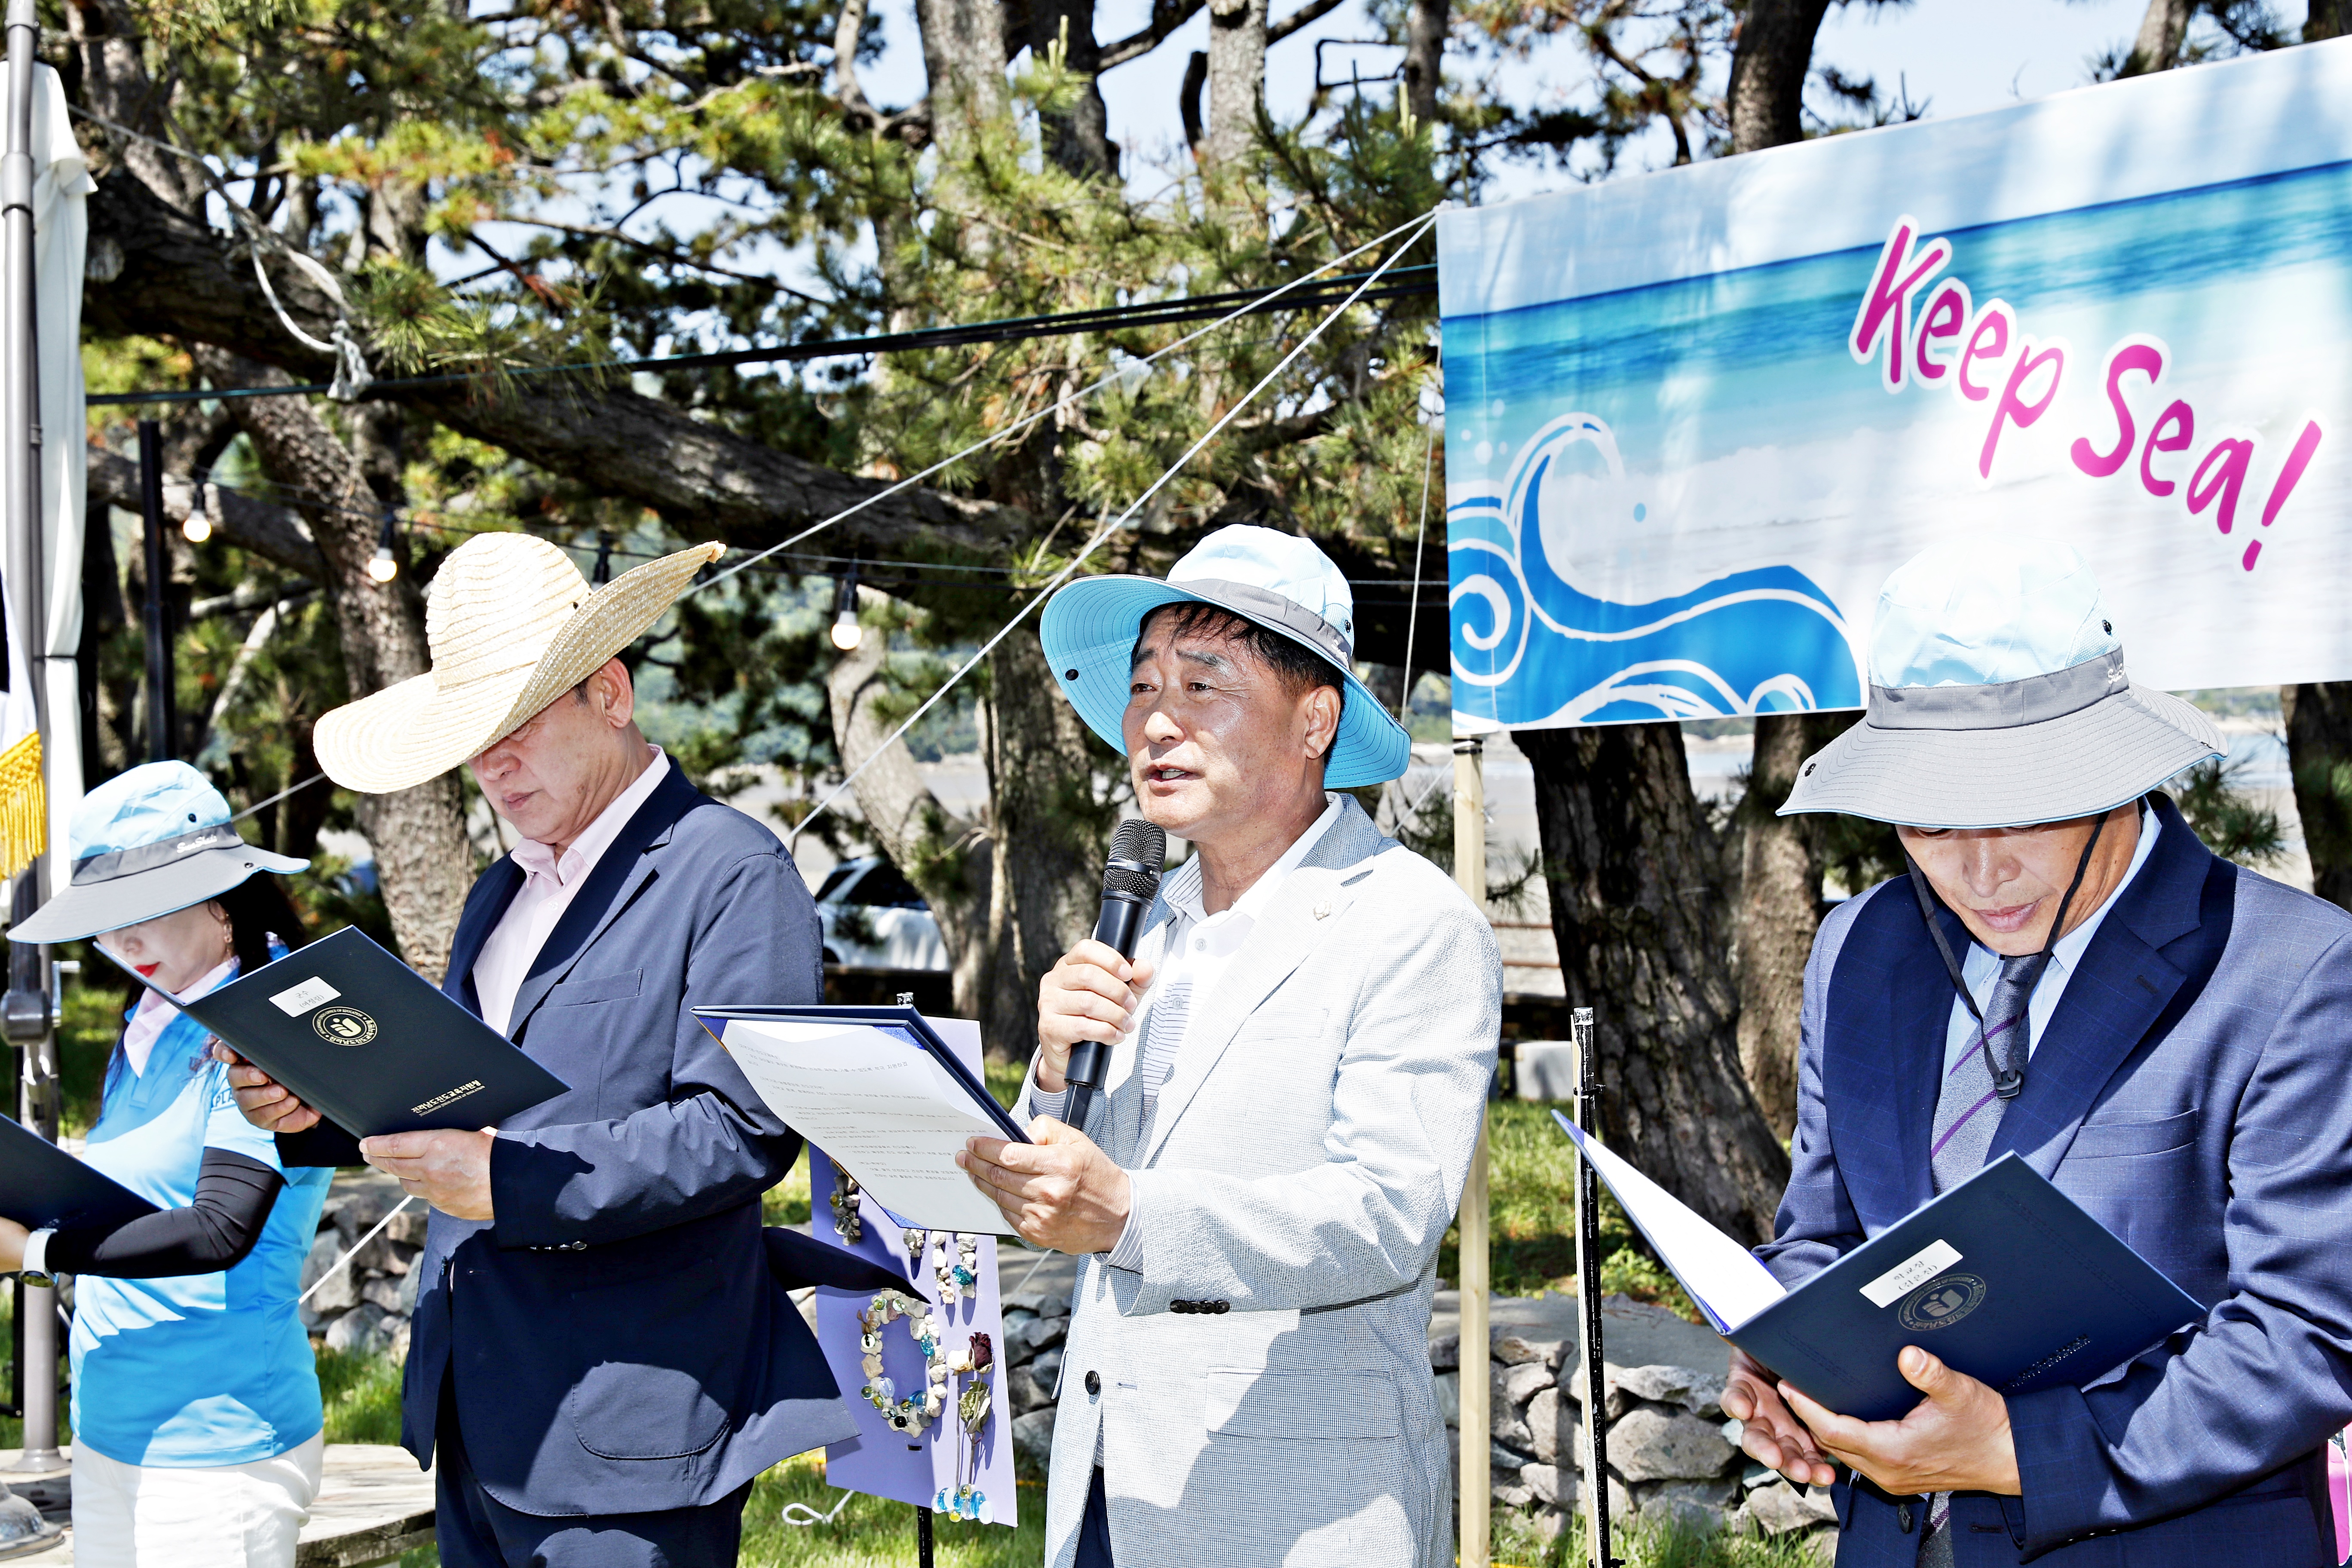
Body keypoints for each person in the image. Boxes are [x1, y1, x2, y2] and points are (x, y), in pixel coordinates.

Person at [221, 533, 867, 1568]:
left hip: (630, 1425)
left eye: (513, 724)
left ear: (609, 694)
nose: (491, 763)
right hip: (477, 1410)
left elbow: (741, 1133)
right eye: (473, 739)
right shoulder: (501, 891)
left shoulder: (732, 872)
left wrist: (508, 1179)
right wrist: (315, 1111)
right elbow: (454, 1102)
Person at [1730, 538, 2352, 1567]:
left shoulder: (2291, 970)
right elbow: (1821, 1234)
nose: (1981, 871)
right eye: (1929, 825)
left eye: (2022, 812)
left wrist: (2023, 1450)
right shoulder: (1859, 948)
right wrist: (1789, 1365)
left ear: (2114, 774)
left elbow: (2309, 1335)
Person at [956, 524, 1502, 1568]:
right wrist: (1054, 1077)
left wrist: (1128, 1210)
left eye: (1202, 685)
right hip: (1108, 1482)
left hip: (1301, 1506)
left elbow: (1388, 1212)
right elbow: (1085, 1177)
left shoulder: (1411, 923)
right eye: (1143, 685)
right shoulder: (1145, 919)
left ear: (1316, 721)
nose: (1156, 721)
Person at [0, 760, 327, 1567]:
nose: (120, 941)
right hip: (115, 1430)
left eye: (141, 912)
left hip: (219, 1449)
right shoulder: (150, 1015)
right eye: (104, 921)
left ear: (223, 896)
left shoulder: (270, 1016)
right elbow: (138, 1194)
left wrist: (32, 1253)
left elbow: (219, 1230)